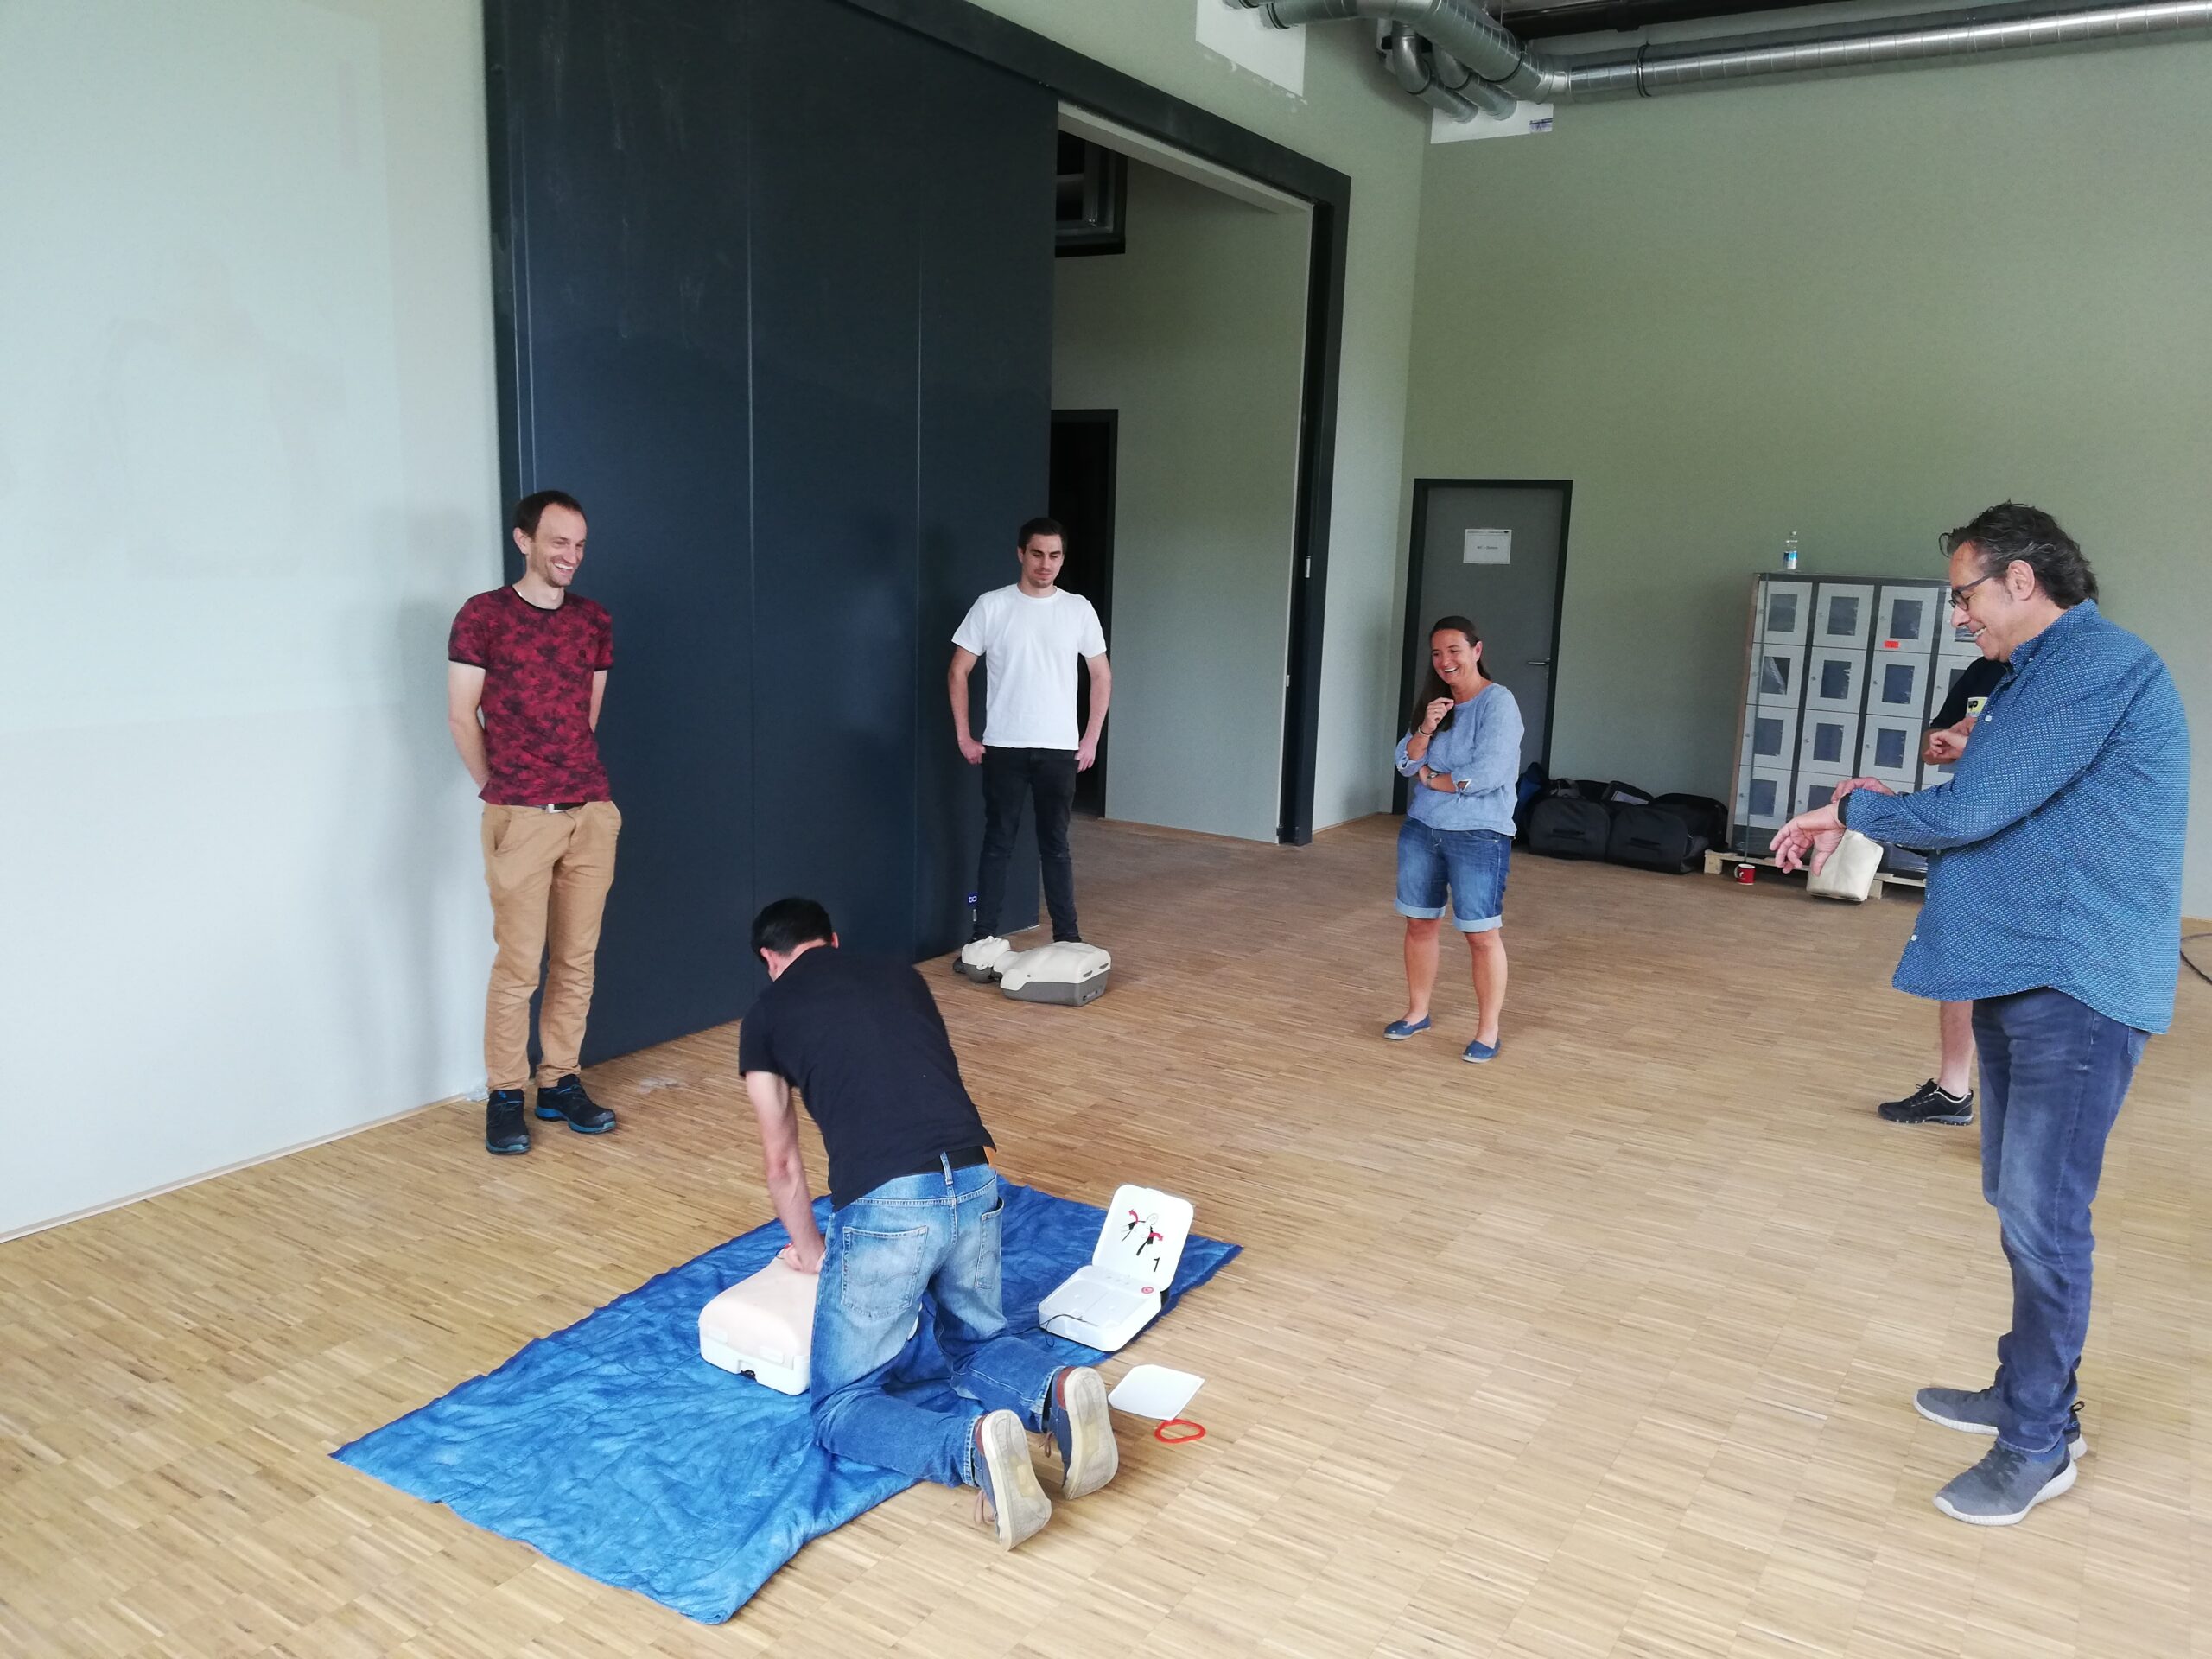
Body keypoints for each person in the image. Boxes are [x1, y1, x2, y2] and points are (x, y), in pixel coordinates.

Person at [1771, 503, 2188, 1526]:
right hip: (2025, 966)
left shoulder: (2094, 664)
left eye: (1964, 595)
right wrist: (1948, 763)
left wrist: (1851, 807)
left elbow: (1967, 816)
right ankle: (2027, 1389)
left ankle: (2038, 1441)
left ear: (2019, 580)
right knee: (2014, 1195)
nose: (1957, 615)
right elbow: (2005, 794)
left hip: (2073, 981)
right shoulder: (2036, 675)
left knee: (2044, 1218)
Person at [737, 897, 1118, 1549]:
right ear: (832, 939)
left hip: (888, 1201)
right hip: (973, 1175)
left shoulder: (766, 1013)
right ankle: (1056, 1388)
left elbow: (782, 1161)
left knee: (841, 1407)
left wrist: (811, 1250)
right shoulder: (899, 975)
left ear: (770, 959)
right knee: (978, 1344)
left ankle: (971, 1448)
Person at [448, 491, 621, 1155]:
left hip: (590, 812)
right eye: (558, 543)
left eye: (579, 545)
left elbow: (586, 718)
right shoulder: (483, 616)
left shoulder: (593, 620)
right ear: (523, 540)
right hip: (521, 814)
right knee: (519, 965)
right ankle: (504, 1095)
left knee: (577, 960)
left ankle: (559, 1082)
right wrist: (498, 789)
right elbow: (462, 715)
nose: (571, 556)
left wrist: (574, 786)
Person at [949, 518, 1110, 954]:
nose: (1045, 564)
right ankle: (982, 938)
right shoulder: (992, 605)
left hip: (1059, 748)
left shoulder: (1078, 609)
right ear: (1021, 553)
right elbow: (958, 670)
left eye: (1054, 555)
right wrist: (965, 736)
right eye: (1037, 554)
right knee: (998, 843)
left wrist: (1091, 739)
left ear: (1063, 558)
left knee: (1055, 846)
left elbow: (1101, 674)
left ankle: (1068, 938)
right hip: (1004, 746)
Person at [1876, 650, 2009, 1127]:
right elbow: (1934, 739)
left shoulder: (2059, 671)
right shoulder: (1984, 669)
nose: (1960, 619)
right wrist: (1945, 741)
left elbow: (2038, 759)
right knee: (1962, 955)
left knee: (2020, 981)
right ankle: (1953, 1090)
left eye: (1968, 610)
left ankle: (2020, 1120)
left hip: (2023, 836)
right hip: (1970, 824)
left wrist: (1979, 742)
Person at [1386, 616, 1525, 1063]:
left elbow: (1487, 774)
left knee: (1481, 934)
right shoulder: (1435, 703)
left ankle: (1488, 1031)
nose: (1444, 661)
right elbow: (1404, 762)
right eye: (1436, 653)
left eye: (1454, 650)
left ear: (1476, 651)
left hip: (1479, 833)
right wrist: (1426, 729)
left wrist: (1431, 778)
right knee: (1419, 923)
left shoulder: (1498, 703)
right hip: (1422, 830)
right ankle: (1417, 1012)